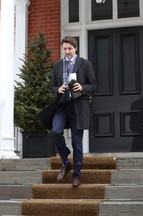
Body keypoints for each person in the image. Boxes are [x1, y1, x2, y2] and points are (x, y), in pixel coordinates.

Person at [51, 36, 97, 187]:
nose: (67, 51)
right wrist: (58, 89)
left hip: (78, 107)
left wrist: (82, 88)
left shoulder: (85, 64)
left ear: (75, 48)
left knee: (77, 143)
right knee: (56, 132)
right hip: (62, 106)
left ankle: (76, 175)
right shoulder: (57, 65)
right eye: (65, 49)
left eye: (70, 48)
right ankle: (66, 163)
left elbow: (94, 86)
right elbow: (51, 86)